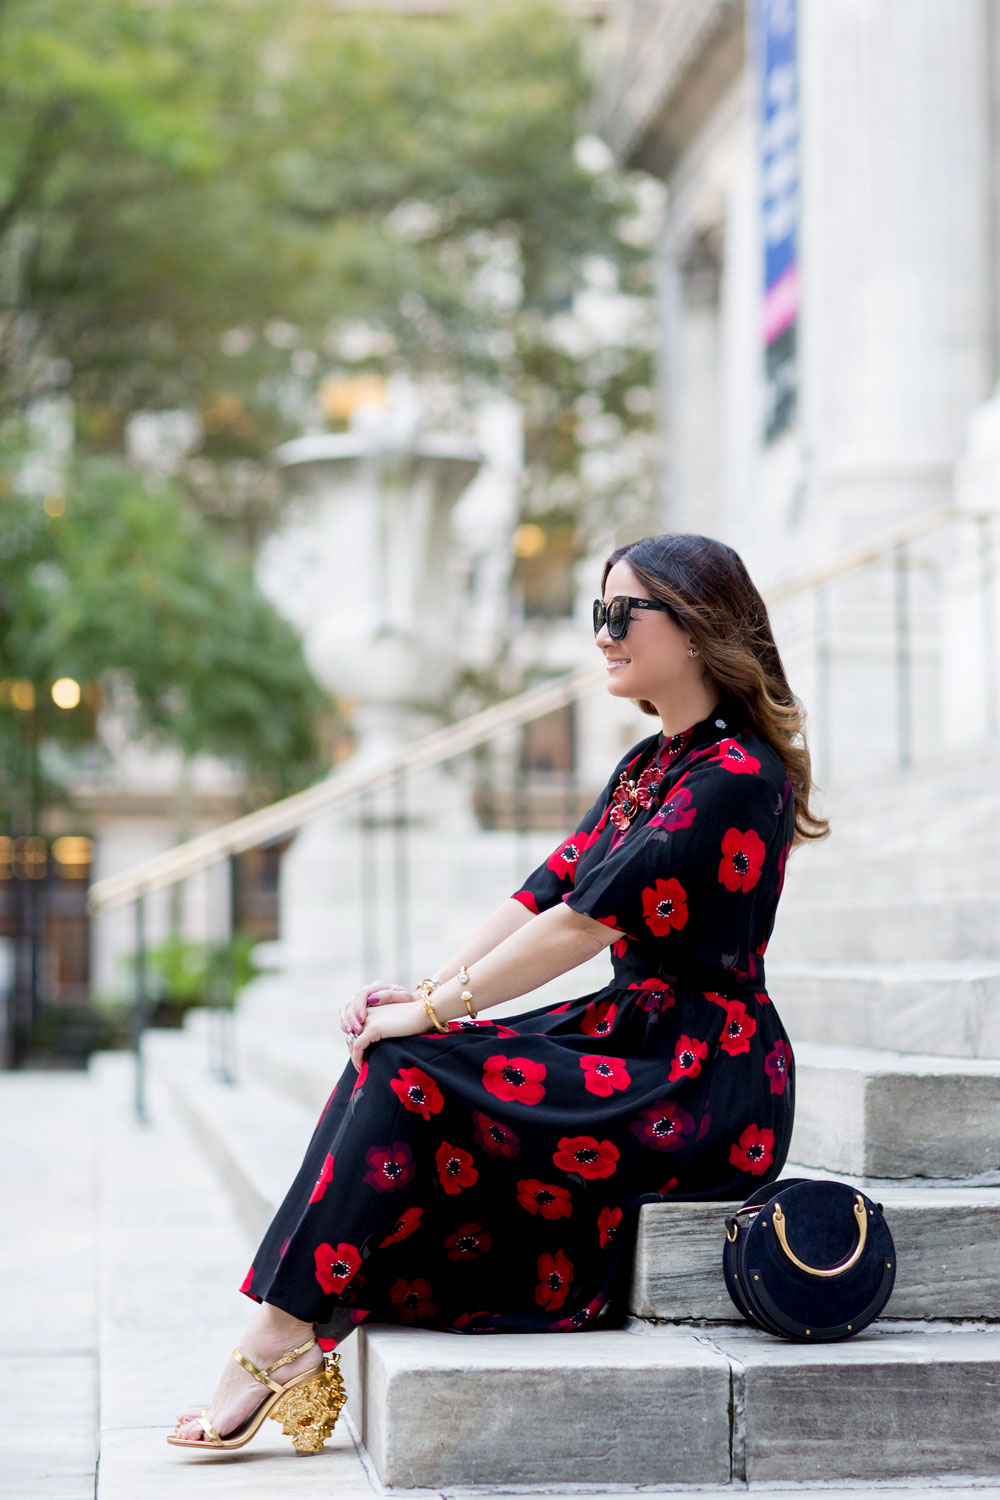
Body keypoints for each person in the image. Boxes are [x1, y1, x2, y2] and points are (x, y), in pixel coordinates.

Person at [168, 531, 829, 1452]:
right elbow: (545, 890)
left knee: (408, 1065)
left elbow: (583, 926)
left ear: (696, 622)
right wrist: (428, 989)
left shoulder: (737, 775)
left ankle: (282, 1333)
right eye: (597, 614)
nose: (602, 635)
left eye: (620, 613)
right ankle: (288, 1328)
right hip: (631, 1037)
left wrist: (435, 1010)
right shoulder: (650, 765)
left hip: (702, 1079)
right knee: (396, 1058)